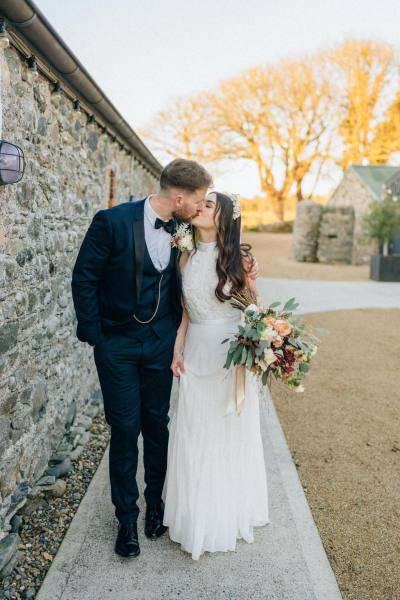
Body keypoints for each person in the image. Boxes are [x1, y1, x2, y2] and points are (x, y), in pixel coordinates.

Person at [70, 159, 257, 558]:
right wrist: (96, 335)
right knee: (124, 429)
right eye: (198, 199)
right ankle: (126, 521)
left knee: (158, 426)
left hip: (161, 343)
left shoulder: (184, 231)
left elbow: (217, 261)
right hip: (117, 346)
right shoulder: (112, 222)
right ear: (179, 198)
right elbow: (84, 276)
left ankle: (157, 508)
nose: (201, 205)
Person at [163, 191, 270, 560]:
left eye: (209, 205)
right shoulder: (186, 257)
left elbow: (257, 310)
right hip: (195, 353)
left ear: (223, 218)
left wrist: (257, 341)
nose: (201, 207)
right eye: (202, 203)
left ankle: (224, 514)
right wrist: (177, 351)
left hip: (229, 358)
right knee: (193, 432)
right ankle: (194, 514)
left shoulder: (239, 260)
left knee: (224, 433)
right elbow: (186, 313)